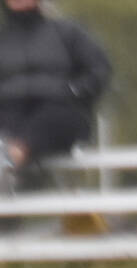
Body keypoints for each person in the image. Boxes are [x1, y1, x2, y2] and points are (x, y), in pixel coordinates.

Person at [0, 0, 110, 188]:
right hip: (12, 114)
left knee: (53, 116)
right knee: (10, 119)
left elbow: (98, 70)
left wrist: (73, 91)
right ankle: (9, 166)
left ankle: (12, 159)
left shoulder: (68, 33)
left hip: (60, 113)